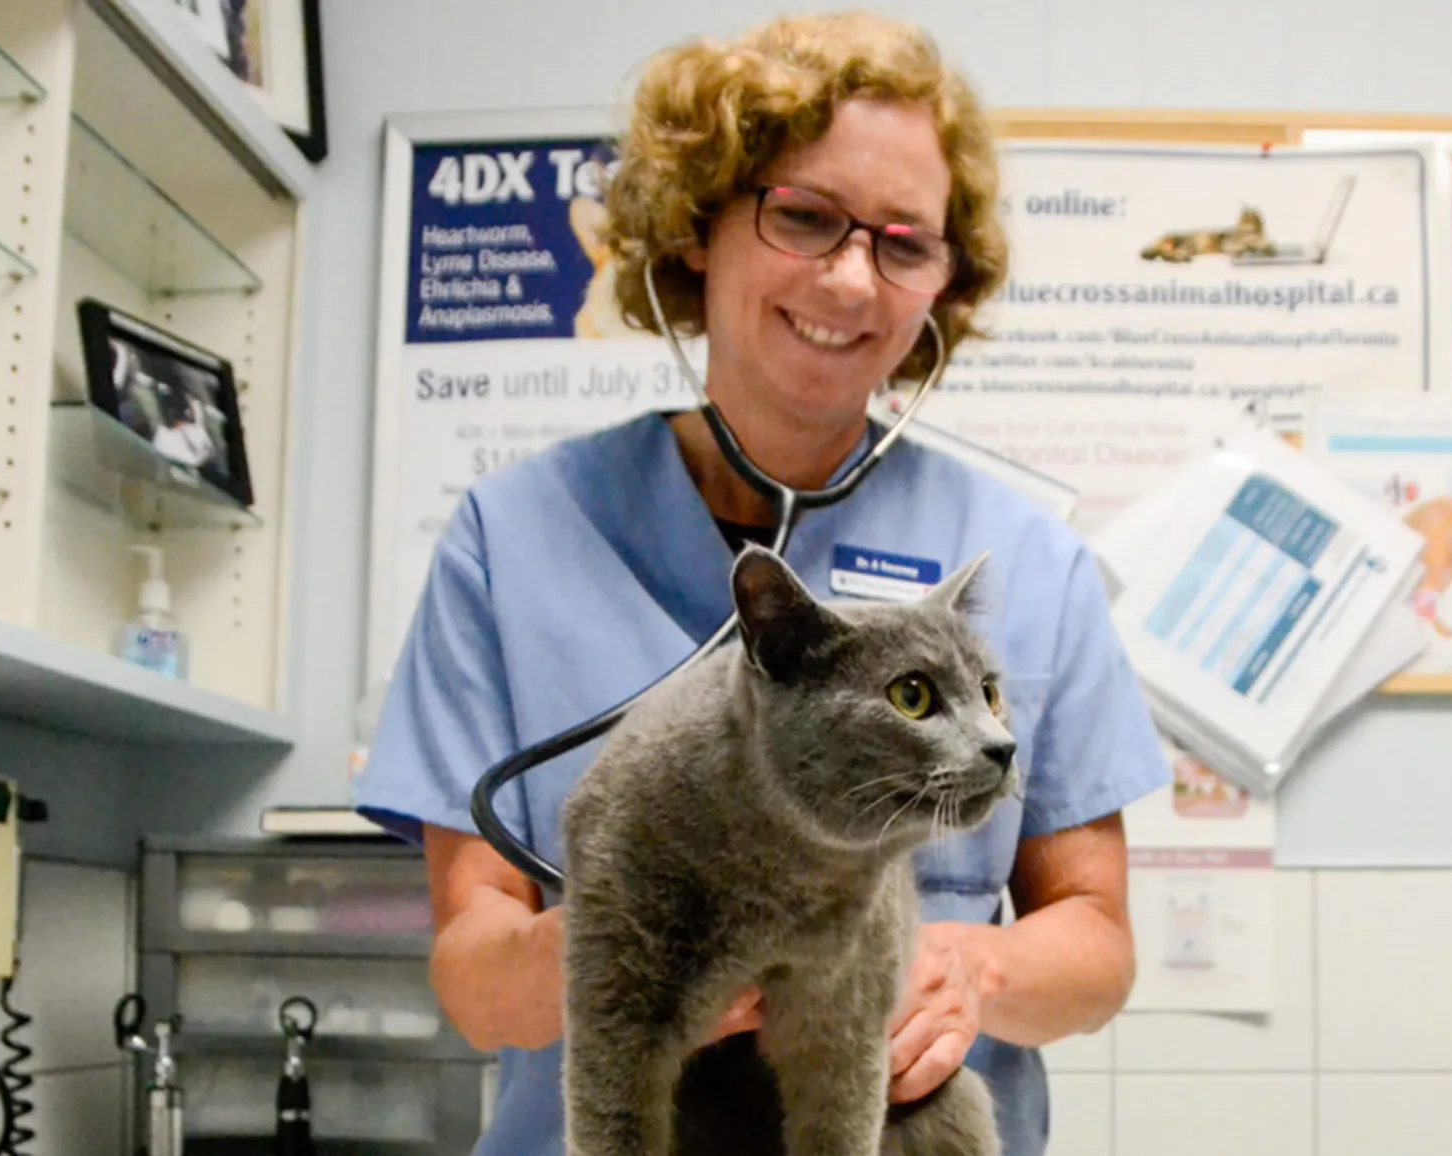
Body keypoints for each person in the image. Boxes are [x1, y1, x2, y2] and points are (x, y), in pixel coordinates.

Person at [350, 12, 1171, 1156]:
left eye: (904, 244)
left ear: (944, 281)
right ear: (697, 227)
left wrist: (960, 964)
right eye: (803, 215)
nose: (852, 279)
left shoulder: (1023, 560)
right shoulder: (515, 537)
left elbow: (1095, 945)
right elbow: (473, 979)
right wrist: (636, 945)